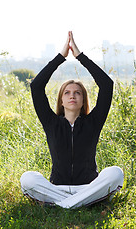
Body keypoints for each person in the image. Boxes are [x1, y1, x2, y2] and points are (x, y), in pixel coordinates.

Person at [20, 31, 124, 209]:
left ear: (84, 100)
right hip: (57, 188)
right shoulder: (51, 123)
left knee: (116, 173)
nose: (72, 96)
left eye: (77, 93)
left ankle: (63, 206)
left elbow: (107, 85)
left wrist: (80, 56)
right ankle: (79, 204)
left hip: (88, 187)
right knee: (27, 178)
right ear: (61, 100)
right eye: (67, 93)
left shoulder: (93, 122)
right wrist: (61, 56)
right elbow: (37, 87)